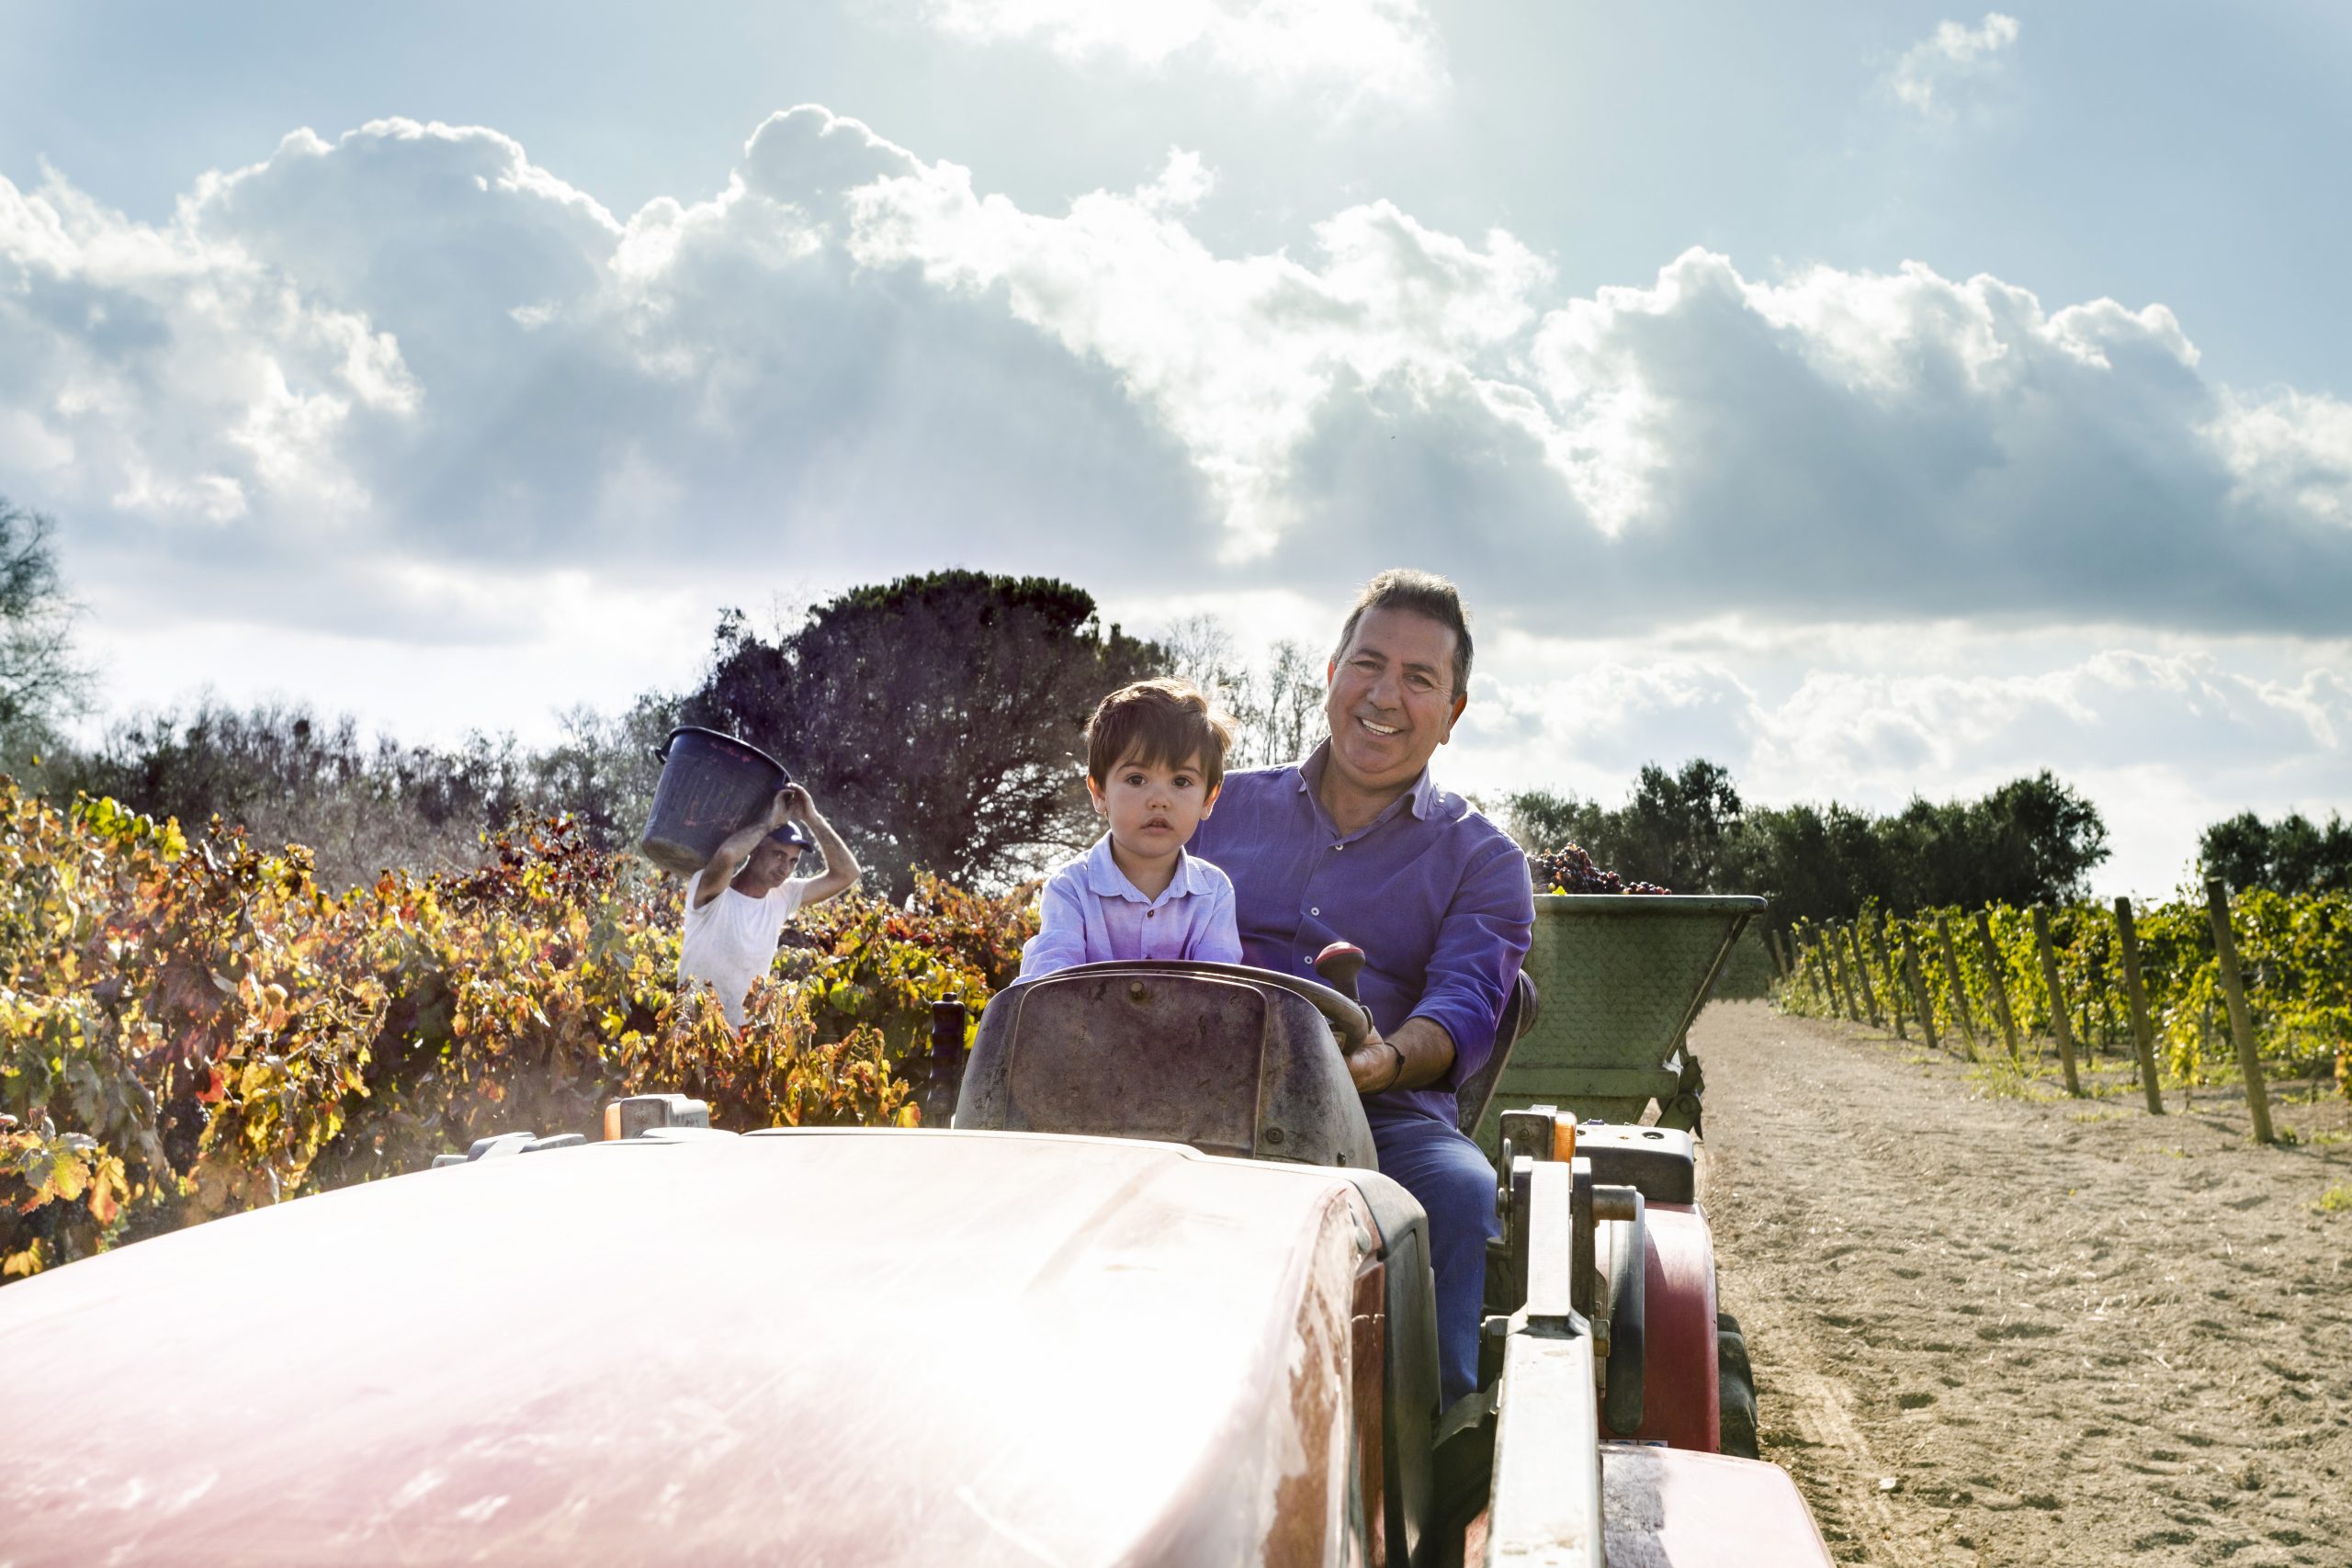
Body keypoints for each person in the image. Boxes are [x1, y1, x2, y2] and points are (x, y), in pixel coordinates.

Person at [1189, 569, 1533, 1408]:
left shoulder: (1484, 861)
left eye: (1421, 679)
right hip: (1190, 1081)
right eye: (1369, 663)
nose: (1387, 693)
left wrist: (1380, 1060)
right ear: (1331, 674)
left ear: (1451, 715)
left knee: (1455, 1188)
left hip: (1376, 1114)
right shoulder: (1213, 804)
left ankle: (1430, 1446)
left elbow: (1462, 1008)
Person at [1020, 678, 1242, 977]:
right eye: (1137, 779)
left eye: (1181, 781)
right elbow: (1047, 987)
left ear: (1208, 798)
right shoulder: (1070, 887)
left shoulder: (1213, 892)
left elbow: (1221, 993)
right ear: (1099, 792)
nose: (1160, 800)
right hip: (1084, 1024)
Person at [679, 783, 862, 1026]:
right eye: (778, 855)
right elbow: (726, 855)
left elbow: (848, 873)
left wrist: (812, 817)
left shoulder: (782, 897)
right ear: (754, 850)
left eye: (792, 861)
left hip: (743, 1044)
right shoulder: (711, 892)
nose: (785, 868)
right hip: (691, 1036)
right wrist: (768, 823)